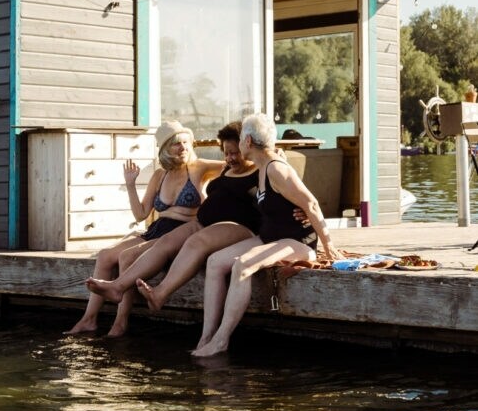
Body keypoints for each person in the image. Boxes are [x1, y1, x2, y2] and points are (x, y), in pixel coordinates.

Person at [190, 112, 344, 357]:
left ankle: (221, 340)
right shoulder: (262, 167)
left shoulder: (275, 169)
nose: (239, 145)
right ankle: (206, 336)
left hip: (297, 242)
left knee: (243, 265)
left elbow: (312, 204)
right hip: (269, 237)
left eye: (240, 139)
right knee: (215, 262)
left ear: (248, 142)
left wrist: (329, 245)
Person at [86, 121, 261, 335]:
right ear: (164, 148)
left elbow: (250, 164)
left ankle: (120, 322)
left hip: (191, 226)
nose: (183, 148)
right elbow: (141, 214)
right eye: (176, 144)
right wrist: (130, 185)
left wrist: (269, 154)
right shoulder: (160, 175)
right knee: (105, 255)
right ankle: (90, 317)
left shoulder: (200, 167)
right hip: (161, 227)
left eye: (186, 142)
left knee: (128, 256)